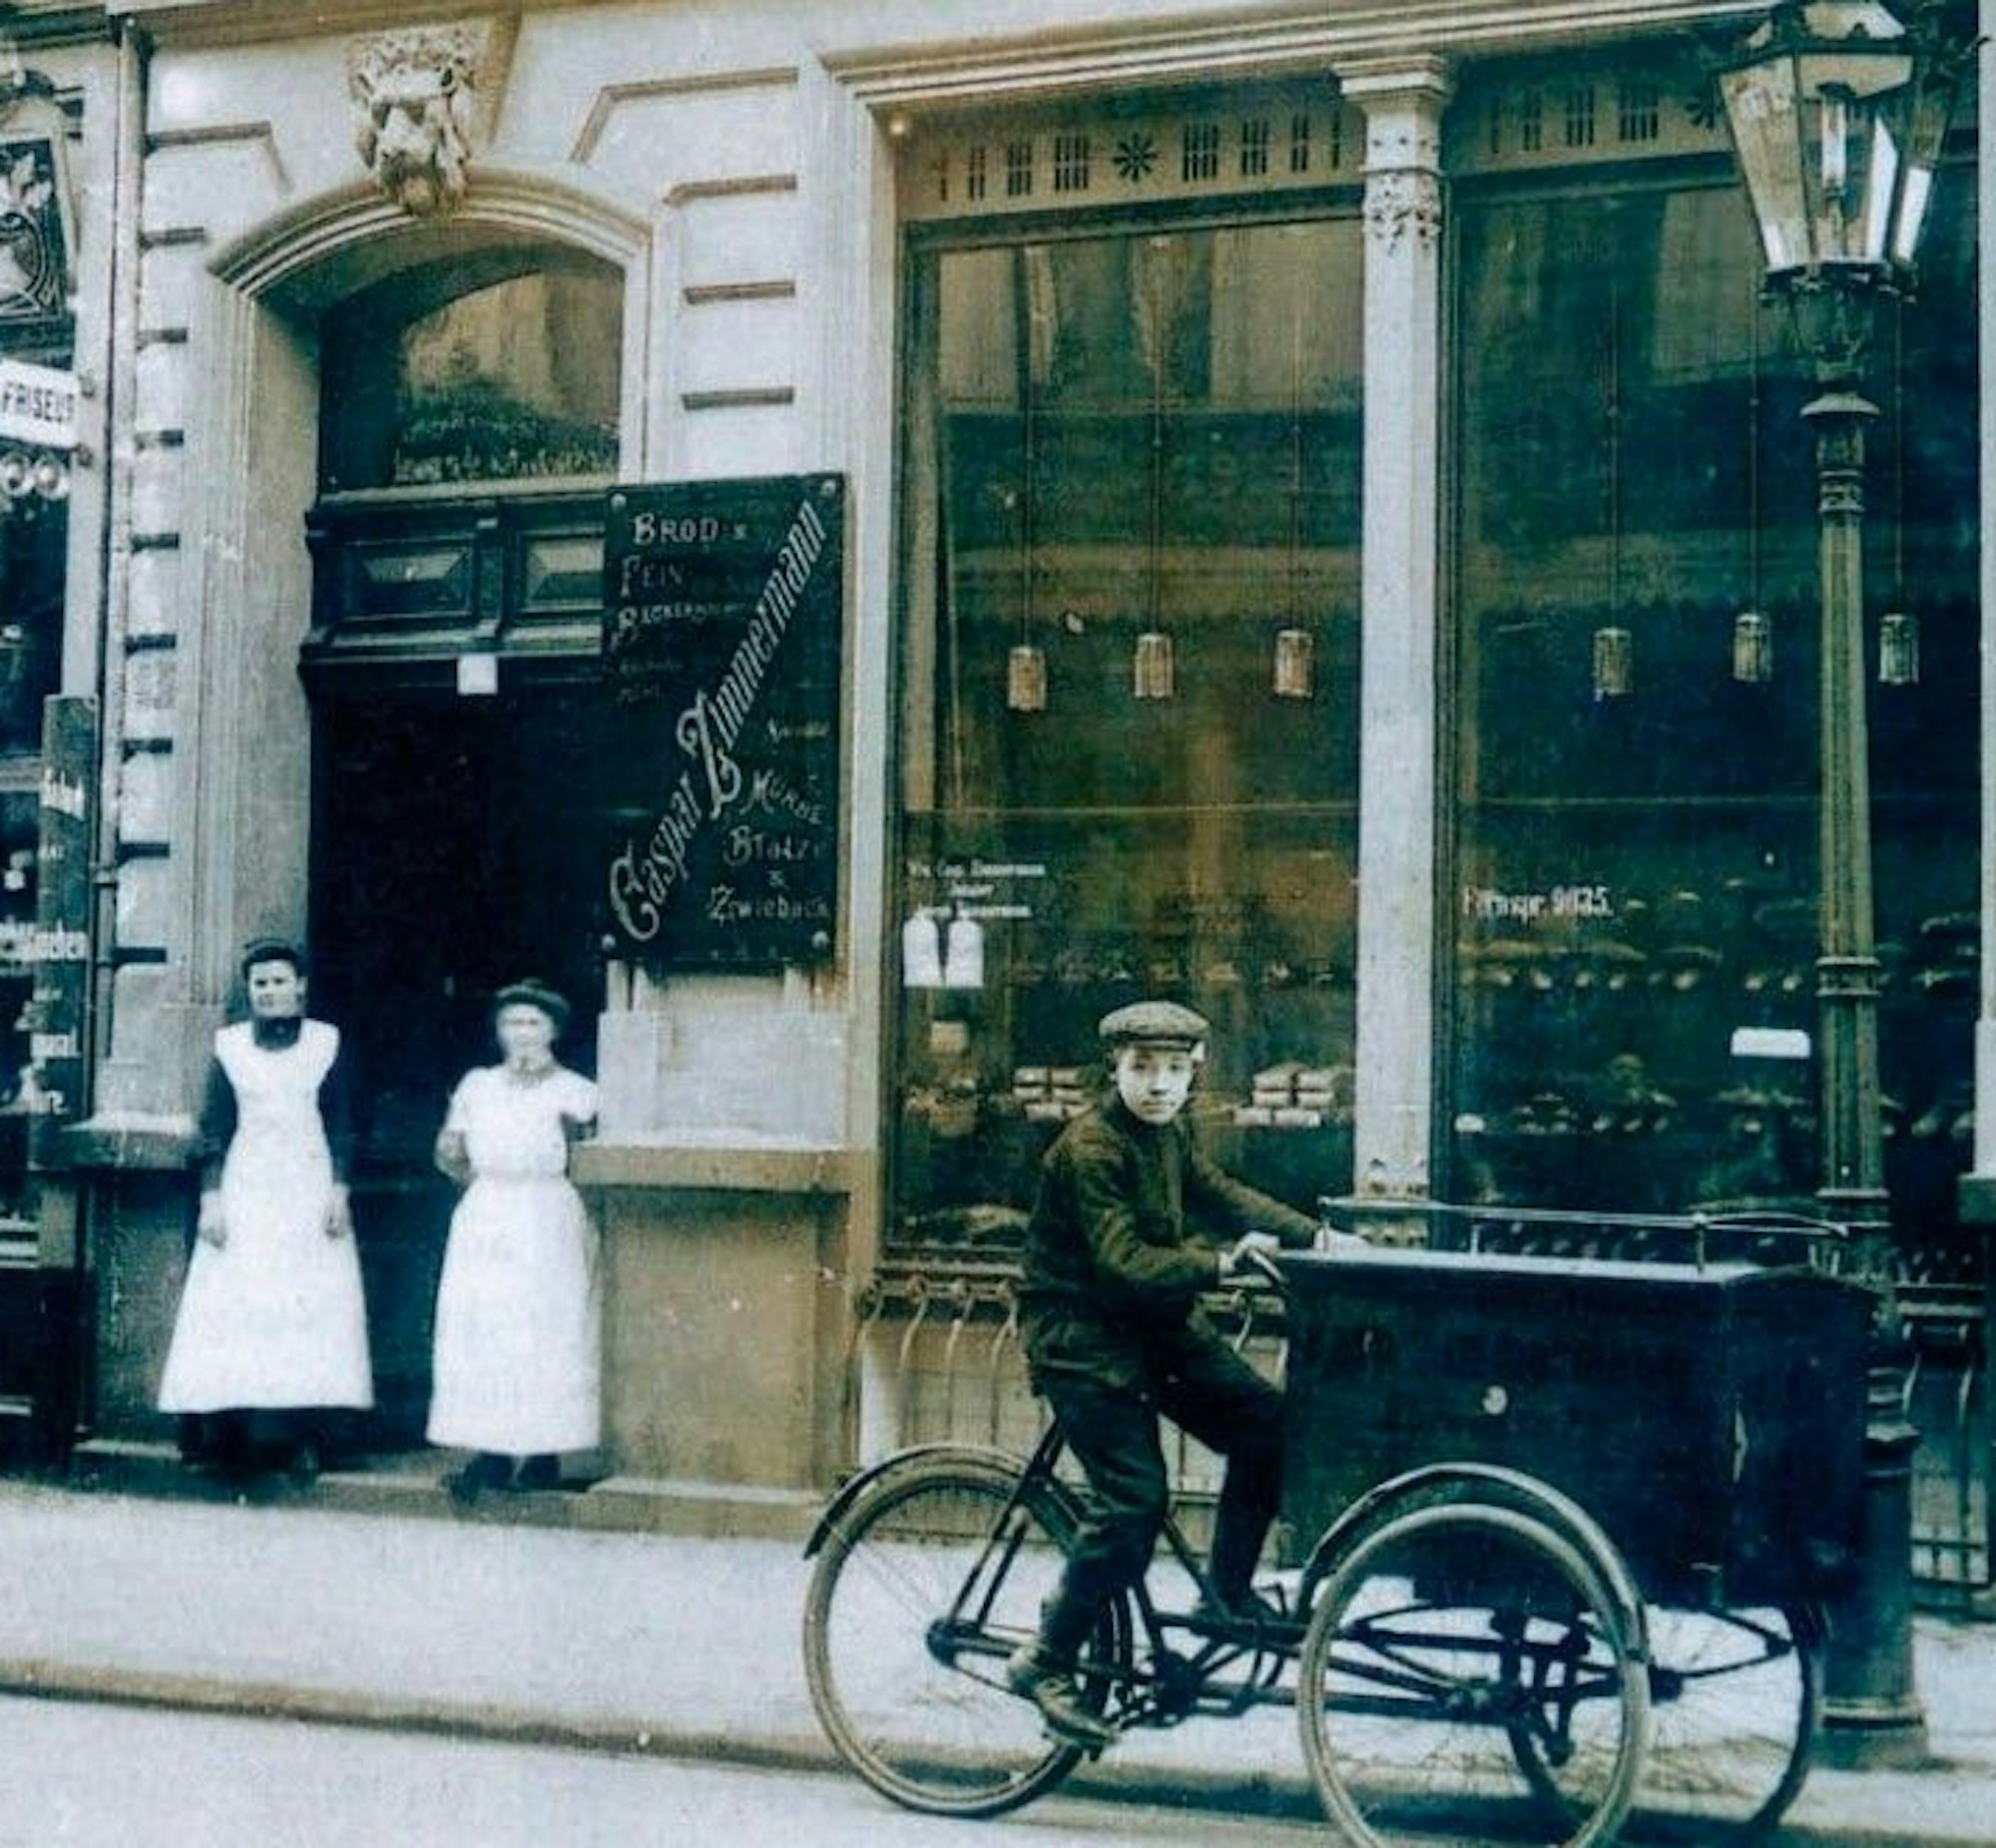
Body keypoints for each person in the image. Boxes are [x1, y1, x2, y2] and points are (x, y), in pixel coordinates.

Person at [1005, 999, 1325, 1750]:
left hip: (1151, 1328)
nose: (1158, 1084)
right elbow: (1122, 1263)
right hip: (1083, 1341)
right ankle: (1046, 1659)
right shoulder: (1091, 1149)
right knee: (1134, 1503)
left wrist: (1317, 1237)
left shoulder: (1168, 1133)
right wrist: (1219, 1263)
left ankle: (1227, 1596)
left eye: (1174, 1069)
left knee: (1267, 1428)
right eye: (1142, 1067)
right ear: (1114, 1069)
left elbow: (1222, 1194)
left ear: (1194, 1071)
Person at [158, 938, 373, 1484]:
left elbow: (344, 1123)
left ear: (300, 987)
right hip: (247, 1187)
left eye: (280, 981)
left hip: (309, 1187)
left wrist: (339, 1189)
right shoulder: (230, 1047)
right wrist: (211, 1196)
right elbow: (214, 1126)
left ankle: (309, 1437)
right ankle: (228, 1437)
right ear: (249, 991)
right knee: (239, 1306)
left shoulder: (325, 1043)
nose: (270, 991)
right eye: (260, 983)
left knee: (311, 1306)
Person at [427, 978, 601, 1501]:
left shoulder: (577, 1091)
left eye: (532, 1023)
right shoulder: (477, 1086)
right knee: (486, 1328)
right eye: (512, 1023)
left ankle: (544, 1452)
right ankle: (492, 1452)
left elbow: (590, 1156)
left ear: (553, 1031)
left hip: (548, 1214)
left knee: (546, 1328)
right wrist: (487, 1190)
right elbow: (450, 1153)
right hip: (489, 1215)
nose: (522, 1033)